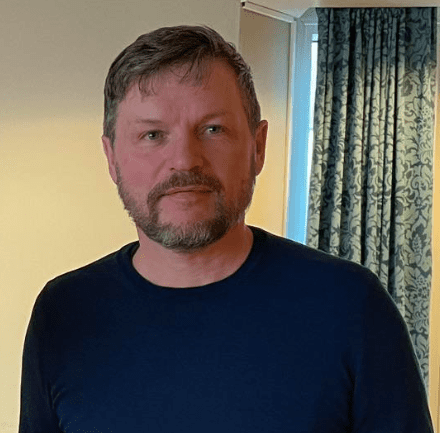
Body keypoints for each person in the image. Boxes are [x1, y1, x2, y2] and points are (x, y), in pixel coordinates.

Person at [19, 25, 433, 432]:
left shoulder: (351, 306)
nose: (185, 160)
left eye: (212, 129)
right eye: (152, 134)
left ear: (258, 146)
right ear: (112, 158)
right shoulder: (63, 314)